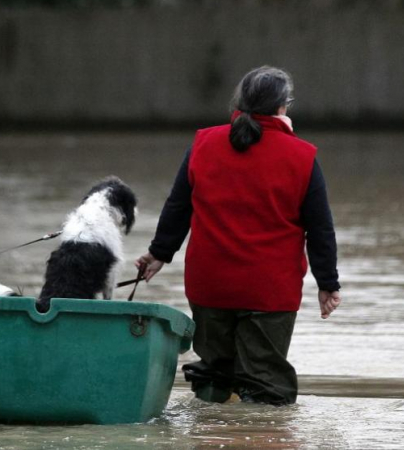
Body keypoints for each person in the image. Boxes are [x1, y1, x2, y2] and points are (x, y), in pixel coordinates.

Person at [136, 66, 341, 406]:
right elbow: (320, 229)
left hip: (210, 283)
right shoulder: (301, 156)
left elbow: (178, 207)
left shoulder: (203, 143)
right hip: (269, 290)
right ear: (281, 107)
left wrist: (159, 254)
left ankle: (210, 435)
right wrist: (328, 283)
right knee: (265, 385)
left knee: (215, 375)